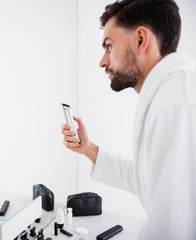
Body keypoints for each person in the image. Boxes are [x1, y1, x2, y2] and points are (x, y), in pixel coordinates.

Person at [61, 0, 196, 239]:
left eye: (109, 46)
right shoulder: (167, 95)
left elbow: (173, 229)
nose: (102, 61)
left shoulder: (176, 104)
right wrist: (88, 149)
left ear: (141, 40)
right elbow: (145, 179)